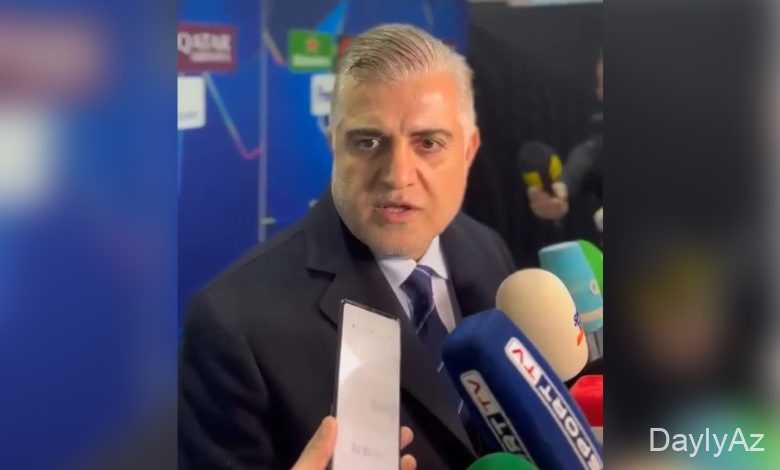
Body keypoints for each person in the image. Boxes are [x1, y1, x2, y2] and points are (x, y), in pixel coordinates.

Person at [179, 24, 516, 469]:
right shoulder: (233, 324)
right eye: (368, 142)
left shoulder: (487, 250)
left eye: (428, 143)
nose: (397, 175)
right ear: (333, 144)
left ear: (469, 151)